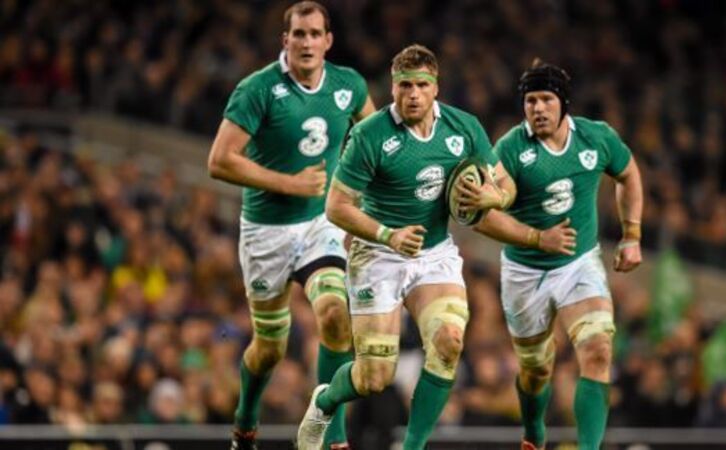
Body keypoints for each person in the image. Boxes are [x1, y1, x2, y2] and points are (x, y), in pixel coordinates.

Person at [295, 44, 515, 450]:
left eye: (421, 85)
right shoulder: (370, 134)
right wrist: (387, 235)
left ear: (436, 88)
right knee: (374, 377)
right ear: (393, 87)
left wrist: (495, 197)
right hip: (378, 254)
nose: (413, 94)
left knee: (449, 341)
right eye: (405, 86)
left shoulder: (463, 127)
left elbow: (505, 183)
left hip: (434, 254)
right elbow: (336, 206)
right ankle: (324, 401)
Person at [206, 2, 375, 449]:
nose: (306, 42)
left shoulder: (349, 85)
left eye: (315, 34)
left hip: (320, 224)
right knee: (270, 348)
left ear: (328, 41)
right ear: (285, 40)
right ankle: (246, 419)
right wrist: (290, 183)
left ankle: (330, 434)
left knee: (335, 313)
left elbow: (374, 137)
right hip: (267, 232)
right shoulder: (257, 89)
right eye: (298, 34)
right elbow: (219, 161)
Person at [466, 59, 643, 450]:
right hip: (524, 271)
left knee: (598, 348)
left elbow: (628, 173)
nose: (538, 108)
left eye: (546, 99)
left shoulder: (596, 138)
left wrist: (632, 234)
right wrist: (536, 237)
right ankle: (533, 432)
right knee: (536, 370)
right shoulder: (510, 148)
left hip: (578, 263)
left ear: (564, 103)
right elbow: (483, 218)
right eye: (530, 101)